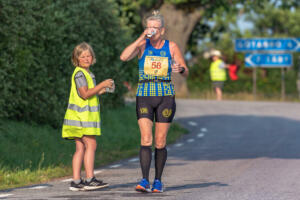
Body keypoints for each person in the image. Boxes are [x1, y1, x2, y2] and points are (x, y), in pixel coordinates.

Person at [120, 10, 189, 193]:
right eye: (149, 27)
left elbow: (185, 70)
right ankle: (144, 180)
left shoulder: (171, 46)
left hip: (165, 95)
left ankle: (158, 181)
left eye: (155, 28)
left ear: (163, 30)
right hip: (144, 94)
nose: (152, 31)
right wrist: (141, 37)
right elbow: (124, 57)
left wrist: (180, 69)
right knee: (145, 138)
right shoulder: (143, 45)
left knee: (159, 141)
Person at [62, 42, 114, 191]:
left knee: (80, 147)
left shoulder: (87, 74)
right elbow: (84, 94)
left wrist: (102, 89)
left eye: (88, 55)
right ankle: (90, 179)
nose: (86, 58)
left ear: (92, 57)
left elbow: (90, 92)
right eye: (82, 56)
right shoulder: (79, 73)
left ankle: (77, 181)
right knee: (91, 145)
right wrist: (102, 83)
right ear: (76, 59)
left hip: (79, 117)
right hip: (81, 118)